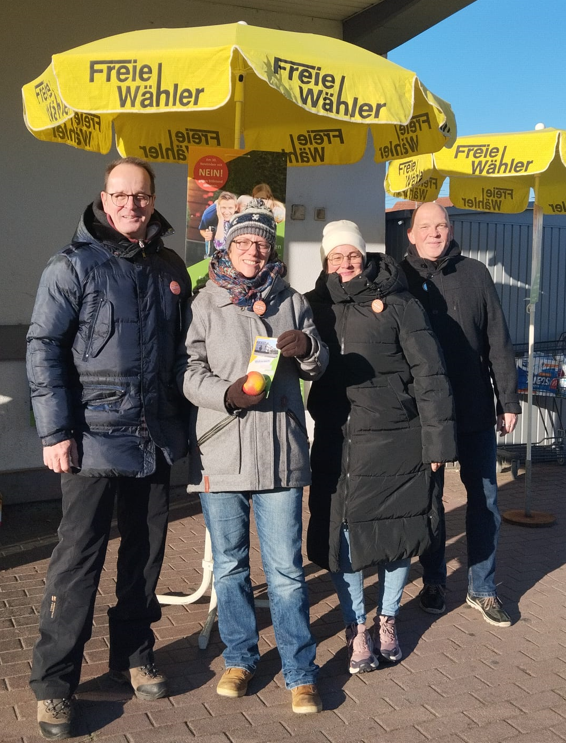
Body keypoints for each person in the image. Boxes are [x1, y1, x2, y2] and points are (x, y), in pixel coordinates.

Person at [27, 157, 191, 740]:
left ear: (153, 200)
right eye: (120, 195)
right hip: (90, 440)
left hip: (153, 438)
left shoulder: (170, 267)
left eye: (140, 195)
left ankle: (133, 655)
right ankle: (54, 684)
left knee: (144, 558)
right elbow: (44, 346)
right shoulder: (71, 265)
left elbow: (183, 353)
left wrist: (187, 430)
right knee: (78, 563)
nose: (130, 204)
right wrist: (55, 432)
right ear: (103, 198)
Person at [179, 199, 328, 714]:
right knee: (230, 566)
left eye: (261, 243)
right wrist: (226, 394)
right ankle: (240, 658)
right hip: (220, 452)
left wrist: (308, 348)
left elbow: (319, 365)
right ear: (227, 246)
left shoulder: (292, 300)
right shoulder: (205, 302)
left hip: (281, 455)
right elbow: (186, 371)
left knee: (285, 571)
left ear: (271, 249)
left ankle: (300, 672)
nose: (253, 250)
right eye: (243, 241)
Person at [306, 220, 457, 675]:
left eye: (353, 254)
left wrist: (438, 442)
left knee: (397, 534)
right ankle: (356, 627)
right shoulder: (314, 306)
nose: (346, 263)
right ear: (326, 262)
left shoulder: (400, 302)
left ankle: (387, 619)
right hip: (339, 439)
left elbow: (430, 374)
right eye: (336, 256)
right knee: (342, 537)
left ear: (365, 256)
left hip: (397, 437)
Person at [402, 201, 520, 626]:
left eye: (441, 225)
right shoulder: (398, 279)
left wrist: (508, 399)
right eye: (425, 226)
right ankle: (434, 581)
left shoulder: (475, 274)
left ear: (450, 231)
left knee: (485, 501)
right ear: (411, 234)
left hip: (473, 408)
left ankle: (482, 588)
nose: (434, 233)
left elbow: (497, 340)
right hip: (423, 414)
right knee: (429, 501)